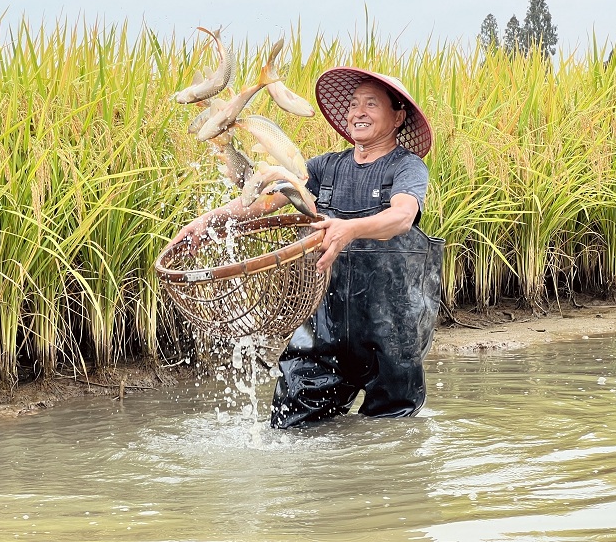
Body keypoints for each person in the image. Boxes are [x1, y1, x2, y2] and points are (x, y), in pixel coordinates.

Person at [169, 67, 444, 428]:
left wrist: (348, 230)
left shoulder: (407, 167)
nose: (357, 112)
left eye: (371, 104)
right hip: (323, 331)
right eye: (353, 104)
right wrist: (209, 221)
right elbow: (262, 202)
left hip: (393, 335)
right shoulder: (324, 168)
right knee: (290, 428)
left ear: (398, 117)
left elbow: (403, 217)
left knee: (392, 436)